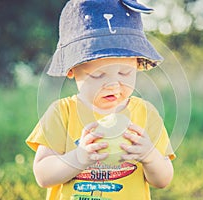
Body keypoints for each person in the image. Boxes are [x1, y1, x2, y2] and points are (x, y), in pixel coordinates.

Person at [26, 0, 176, 199]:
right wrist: (79, 157)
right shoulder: (62, 113)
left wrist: (149, 156)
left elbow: (163, 180)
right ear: (72, 69)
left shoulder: (145, 114)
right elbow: (43, 175)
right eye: (98, 75)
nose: (113, 85)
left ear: (138, 65)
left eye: (125, 73)